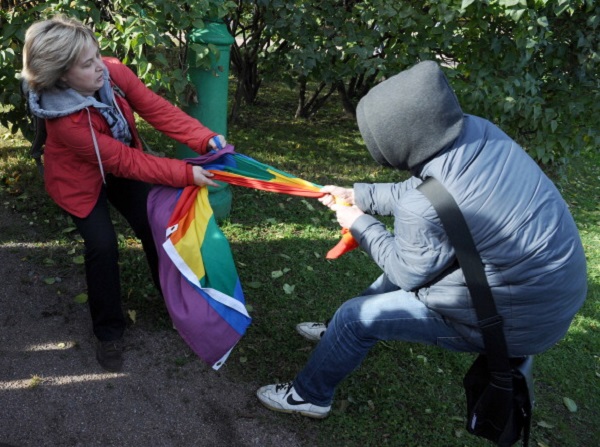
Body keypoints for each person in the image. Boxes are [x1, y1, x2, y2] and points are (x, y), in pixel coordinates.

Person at [256, 60, 587, 419]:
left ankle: (309, 396)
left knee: (357, 317)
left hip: (514, 321)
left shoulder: (422, 206)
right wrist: (358, 195)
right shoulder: (477, 133)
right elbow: (431, 191)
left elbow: (406, 273)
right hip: (547, 293)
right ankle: (338, 335)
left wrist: (360, 223)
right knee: (367, 305)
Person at [21, 15, 226, 372]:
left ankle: (176, 304)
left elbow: (154, 107)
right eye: (87, 64)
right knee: (102, 246)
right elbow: (125, 161)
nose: (100, 66)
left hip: (115, 161)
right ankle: (108, 332)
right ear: (61, 74)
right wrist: (187, 174)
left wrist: (203, 137)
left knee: (156, 226)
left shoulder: (112, 72)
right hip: (79, 180)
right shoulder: (66, 120)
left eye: (97, 55)